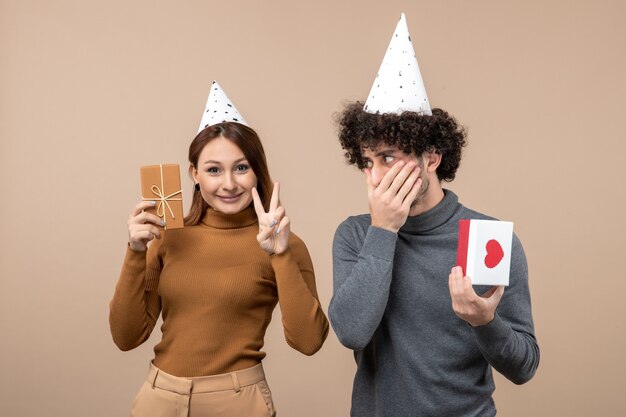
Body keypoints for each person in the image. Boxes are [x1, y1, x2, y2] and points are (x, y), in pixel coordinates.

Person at [328, 14, 539, 417]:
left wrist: (485, 322)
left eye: (389, 157)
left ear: (431, 158)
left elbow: (524, 366)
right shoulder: (357, 235)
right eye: (368, 161)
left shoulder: (489, 239)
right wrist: (384, 229)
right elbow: (352, 332)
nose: (375, 176)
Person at [109, 81, 329, 417]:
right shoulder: (169, 238)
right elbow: (126, 337)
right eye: (214, 170)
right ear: (195, 174)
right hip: (158, 398)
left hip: (237, 402)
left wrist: (280, 255)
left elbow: (309, 341)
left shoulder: (284, 244)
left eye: (241, 168)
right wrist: (135, 250)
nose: (229, 184)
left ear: (257, 172)